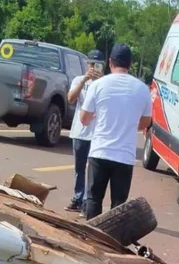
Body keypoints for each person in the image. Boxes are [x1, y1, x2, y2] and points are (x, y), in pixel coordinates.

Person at [79, 43, 151, 219]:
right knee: (118, 207)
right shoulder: (142, 89)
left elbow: (84, 118)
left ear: (110, 62)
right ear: (130, 64)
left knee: (93, 200)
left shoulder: (99, 85)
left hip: (99, 153)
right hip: (124, 157)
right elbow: (145, 123)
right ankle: (111, 243)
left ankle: (90, 241)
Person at [64, 50, 104, 212]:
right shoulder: (78, 80)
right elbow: (71, 99)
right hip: (80, 132)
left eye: (97, 64)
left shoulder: (105, 83)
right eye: (91, 64)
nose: (93, 67)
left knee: (93, 171)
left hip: (97, 134)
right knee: (79, 169)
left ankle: (88, 203)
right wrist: (84, 81)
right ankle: (78, 198)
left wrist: (100, 81)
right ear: (87, 64)